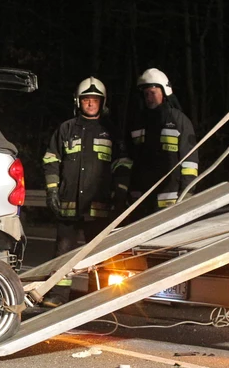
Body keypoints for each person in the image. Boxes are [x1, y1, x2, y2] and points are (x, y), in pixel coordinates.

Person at [41, 77, 130, 306]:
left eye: (94, 100)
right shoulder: (66, 129)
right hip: (68, 204)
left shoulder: (111, 132)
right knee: (63, 253)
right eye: (86, 100)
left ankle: (98, 297)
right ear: (78, 102)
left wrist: (120, 192)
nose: (90, 104)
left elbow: (122, 164)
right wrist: (52, 191)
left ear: (103, 103)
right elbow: (51, 160)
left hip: (99, 205)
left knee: (98, 253)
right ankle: (57, 295)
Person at [126, 68, 198, 219]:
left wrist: (188, 190)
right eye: (146, 94)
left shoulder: (179, 120)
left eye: (153, 93)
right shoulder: (137, 122)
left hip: (170, 198)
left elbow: (190, 160)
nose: (149, 98)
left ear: (164, 92)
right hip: (141, 198)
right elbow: (130, 158)